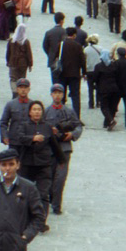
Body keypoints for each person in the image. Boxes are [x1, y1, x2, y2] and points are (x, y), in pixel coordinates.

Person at [16, 101, 66, 231]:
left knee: (43, 194)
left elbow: (55, 145)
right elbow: (20, 138)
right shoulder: (24, 125)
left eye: (39, 109)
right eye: (34, 109)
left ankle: (40, 221)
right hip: (27, 165)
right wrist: (33, 138)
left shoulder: (47, 127)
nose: (37, 112)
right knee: (24, 193)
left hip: (44, 165)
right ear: (29, 112)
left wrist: (61, 161)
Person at [45, 84, 83, 215]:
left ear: (63, 95)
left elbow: (78, 126)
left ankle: (56, 205)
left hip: (64, 149)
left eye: (59, 93)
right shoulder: (46, 111)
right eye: (54, 93)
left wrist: (72, 135)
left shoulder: (69, 111)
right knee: (49, 177)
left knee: (60, 178)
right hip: (49, 150)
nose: (57, 95)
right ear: (51, 94)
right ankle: (51, 198)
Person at [59, 27, 87, 119]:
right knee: (75, 96)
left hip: (62, 73)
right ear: (74, 35)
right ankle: (76, 117)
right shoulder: (78, 46)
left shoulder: (61, 45)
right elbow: (82, 60)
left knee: (61, 95)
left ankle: (61, 116)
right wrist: (84, 72)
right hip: (74, 74)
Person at [0, 78, 34, 146]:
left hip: (29, 141)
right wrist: (4, 136)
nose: (23, 90)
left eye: (25, 87)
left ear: (29, 89)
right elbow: (3, 123)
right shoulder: (10, 104)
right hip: (14, 141)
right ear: (17, 89)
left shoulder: (33, 105)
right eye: (21, 87)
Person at [93, 50, 119, 130]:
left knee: (104, 107)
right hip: (114, 88)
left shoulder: (98, 66)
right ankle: (106, 123)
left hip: (103, 89)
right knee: (111, 106)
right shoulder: (114, 65)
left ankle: (111, 121)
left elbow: (95, 78)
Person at [6, 24, 33, 96]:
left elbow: (8, 52)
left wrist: (8, 61)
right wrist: (30, 64)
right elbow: (29, 54)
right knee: (21, 78)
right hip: (23, 64)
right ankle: (21, 92)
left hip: (13, 63)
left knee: (13, 78)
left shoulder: (11, 41)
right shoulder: (26, 41)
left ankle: (14, 92)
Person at [42, 12, 66, 81]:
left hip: (52, 59)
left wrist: (50, 53)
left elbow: (44, 46)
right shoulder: (64, 32)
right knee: (62, 79)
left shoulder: (49, 32)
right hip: (63, 59)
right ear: (61, 21)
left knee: (54, 79)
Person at [84, 34, 102, 109]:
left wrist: (84, 72)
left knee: (90, 87)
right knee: (99, 86)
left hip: (89, 70)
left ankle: (91, 103)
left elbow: (84, 61)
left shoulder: (86, 49)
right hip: (98, 70)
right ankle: (98, 102)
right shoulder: (100, 48)